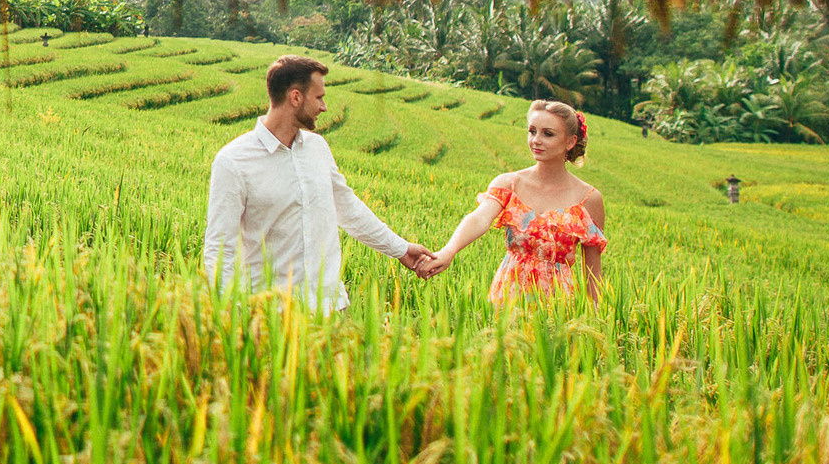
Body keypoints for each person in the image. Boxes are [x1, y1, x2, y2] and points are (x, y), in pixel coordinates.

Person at [203, 54, 437, 308]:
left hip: (330, 309)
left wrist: (400, 249)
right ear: (295, 97)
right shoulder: (233, 161)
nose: (324, 107)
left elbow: (348, 209)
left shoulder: (317, 148)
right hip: (271, 315)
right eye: (319, 97)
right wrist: (226, 315)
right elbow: (220, 247)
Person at [425, 99, 606, 302]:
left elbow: (592, 273)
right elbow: (479, 219)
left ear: (570, 142)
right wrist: (448, 251)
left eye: (548, 134)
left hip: (557, 304)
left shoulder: (588, 199)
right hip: (507, 297)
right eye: (532, 131)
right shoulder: (509, 183)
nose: (536, 140)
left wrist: (594, 323)